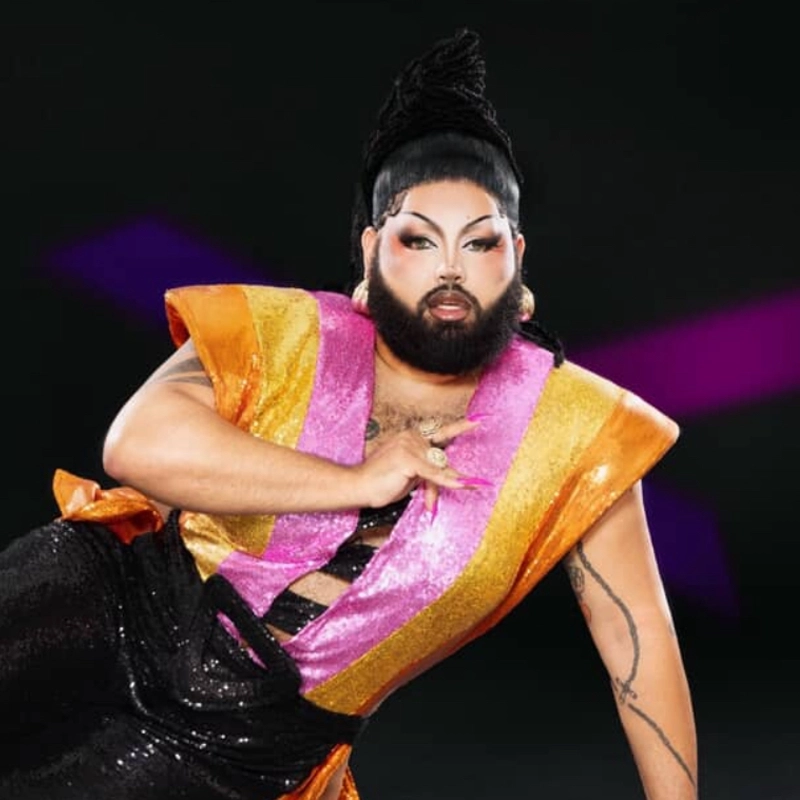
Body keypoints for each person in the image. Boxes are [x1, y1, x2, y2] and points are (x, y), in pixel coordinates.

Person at [0, 27, 697, 800]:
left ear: (518, 258)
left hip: (248, 745)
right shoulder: (286, 330)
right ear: (371, 251)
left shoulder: (579, 433)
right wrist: (357, 479)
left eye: (480, 243)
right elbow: (136, 446)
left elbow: (640, 642)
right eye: (417, 240)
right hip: (123, 602)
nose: (449, 270)